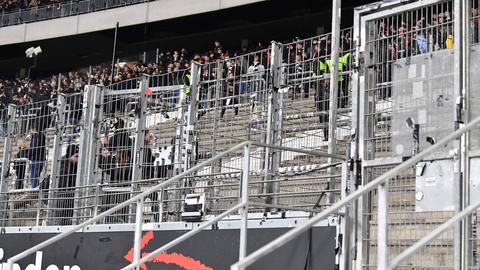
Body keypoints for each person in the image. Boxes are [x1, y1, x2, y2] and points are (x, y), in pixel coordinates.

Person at [56, 144, 79, 225]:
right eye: (76, 156)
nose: (78, 159)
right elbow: (65, 191)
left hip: (71, 208)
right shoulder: (64, 167)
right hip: (62, 209)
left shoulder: (76, 168)